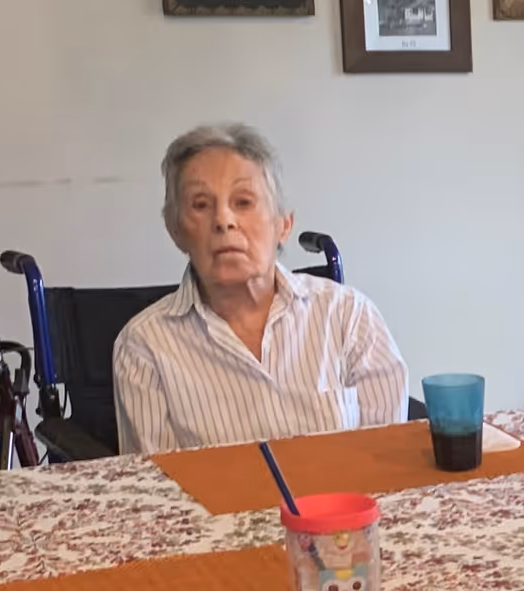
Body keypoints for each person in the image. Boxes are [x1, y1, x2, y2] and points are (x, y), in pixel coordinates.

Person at [112, 124, 408, 456]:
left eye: (243, 201)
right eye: (200, 204)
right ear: (175, 230)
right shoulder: (143, 345)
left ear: (284, 224)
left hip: (343, 507)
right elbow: (156, 488)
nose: (223, 220)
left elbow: (388, 463)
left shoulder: (350, 317)